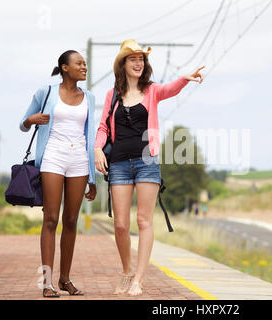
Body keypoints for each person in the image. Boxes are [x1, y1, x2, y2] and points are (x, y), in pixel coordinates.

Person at [94, 39, 204, 296]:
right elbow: (102, 127)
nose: (138, 63)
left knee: (143, 220)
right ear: (123, 64)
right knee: (120, 225)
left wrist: (185, 78)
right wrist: (98, 148)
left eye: (141, 59)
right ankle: (126, 271)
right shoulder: (112, 95)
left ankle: (139, 280)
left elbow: (170, 89)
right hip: (119, 163)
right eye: (133, 59)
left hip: (147, 162)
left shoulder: (152, 90)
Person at [20, 50, 97, 298]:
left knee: (72, 221)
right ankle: (47, 282)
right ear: (65, 67)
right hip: (52, 157)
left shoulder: (90, 97)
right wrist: (32, 119)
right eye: (79, 63)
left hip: (79, 162)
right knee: (51, 219)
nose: (84, 67)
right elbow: (23, 123)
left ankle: (65, 279)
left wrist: (92, 177)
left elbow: (90, 135)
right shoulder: (47, 92)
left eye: (85, 64)